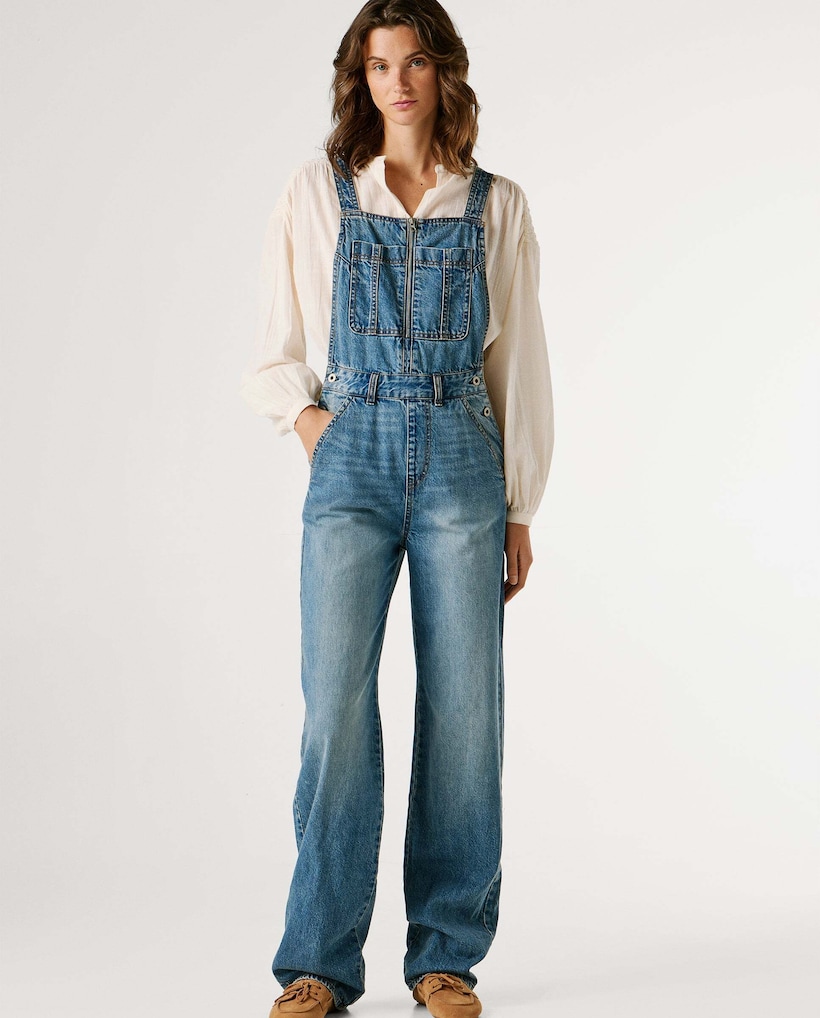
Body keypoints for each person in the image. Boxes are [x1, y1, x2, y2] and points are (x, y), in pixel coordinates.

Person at [240, 1, 554, 1015]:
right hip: (353, 457)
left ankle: (444, 956)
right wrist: (313, 427)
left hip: (463, 458)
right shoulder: (316, 191)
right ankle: (317, 963)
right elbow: (276, 347)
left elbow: (518, 361)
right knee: (334, 708)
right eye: (379, 65)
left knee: (464, 712)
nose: (398, 82)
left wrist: (520, 504)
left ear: (442, 71)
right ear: (359, 79)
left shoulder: (496, 204)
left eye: (414, 61)